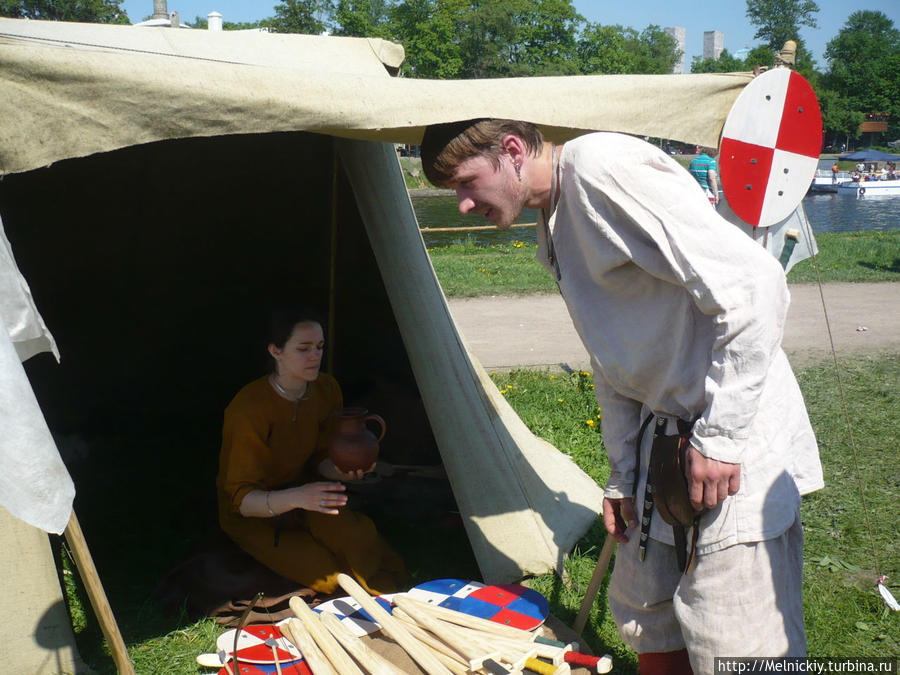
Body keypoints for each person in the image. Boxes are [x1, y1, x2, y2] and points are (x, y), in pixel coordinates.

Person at [420, 120, 823, 674]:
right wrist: (623, 473)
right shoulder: (553, 217)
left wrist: (723, 438)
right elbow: (612, 357)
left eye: (468, 182)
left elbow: (755, 284)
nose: (463, 204)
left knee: (740, 642)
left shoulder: (601, 169)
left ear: (513, 151)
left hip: (730, 437)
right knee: (648, 618)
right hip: (665, 443)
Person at [216, 307, 405, 596]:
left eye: (319, 347)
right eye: (303, 348)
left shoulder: (325, 389)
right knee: (330, 576)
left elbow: (321, 458)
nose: (315, 356)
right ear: (275, 351)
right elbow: (241, 500)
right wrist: (297, 498)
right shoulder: (248, 410)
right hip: (255, 512)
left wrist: (344, 468)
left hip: (308, 491)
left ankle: (394, 598)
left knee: (356, 542)